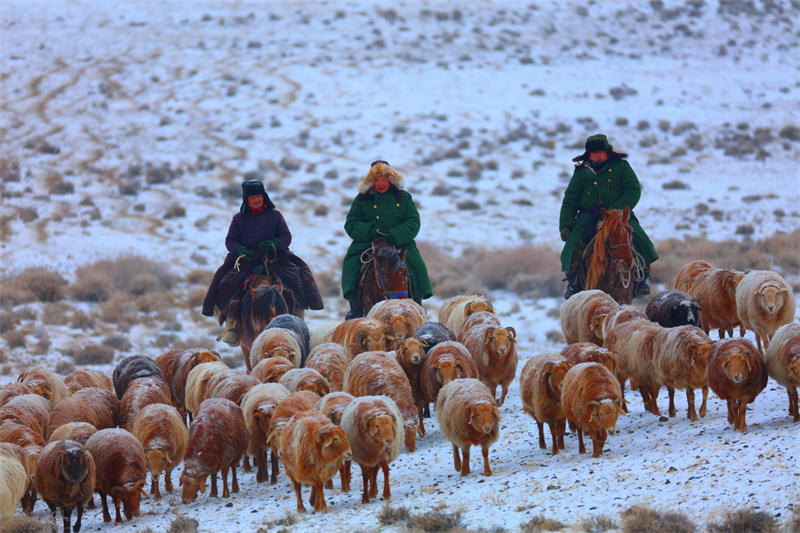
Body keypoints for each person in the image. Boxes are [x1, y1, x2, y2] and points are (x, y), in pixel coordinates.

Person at [202, 179, 323, 345]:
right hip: (246, 260)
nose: (256, 200)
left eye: (259, 196)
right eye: (252, 197)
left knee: (295, 278)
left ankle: (298, 321)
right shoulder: (238, 219)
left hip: (274, 258)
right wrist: (239, 250)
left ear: (264, 196)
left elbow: (286, 236)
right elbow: (230, 240)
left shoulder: (275, 216)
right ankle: (232, 325)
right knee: (227, 283)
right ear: (247, 200)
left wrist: (275, 244)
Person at [559, 134, 659, 299]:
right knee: (572, 249)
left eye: (601, 151)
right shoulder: (581, 172)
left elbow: (633, 190)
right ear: (588, 154)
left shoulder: (621, 167)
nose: (598, 155)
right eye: (593, 152)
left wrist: (616, 208)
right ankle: (574, 285)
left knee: (640, 242)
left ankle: (641, 280)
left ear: (607, 151)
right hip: (587, 219)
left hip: (617, 216)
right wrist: (566, 225)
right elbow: (570, 200)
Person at [341, 160, 433, 319]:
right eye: (377, 180)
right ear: (371, 181)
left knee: (415, 263)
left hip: (399, 242)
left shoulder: (403, 197)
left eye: (384, 179)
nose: (381, 184)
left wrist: (393, 235)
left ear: (390, 179)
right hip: (367, 243)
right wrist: (370, 231)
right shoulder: (361, 199)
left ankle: (417, 304)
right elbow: (351, 224)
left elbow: (413, 222)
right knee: (351, 263)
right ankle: (355, 307)